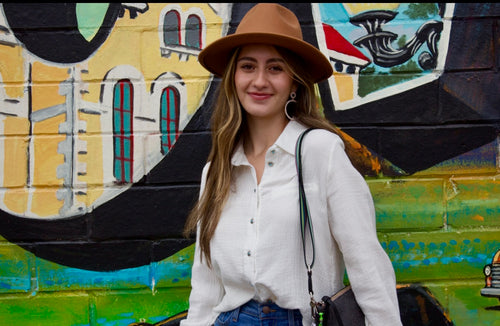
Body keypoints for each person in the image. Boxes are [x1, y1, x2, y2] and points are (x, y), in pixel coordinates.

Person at [181, 3, 402, 326]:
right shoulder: (217, 170)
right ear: (233, 78)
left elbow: (367, 264)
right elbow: (205, 286)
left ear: (295, 82)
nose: (259, 81)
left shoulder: (320, 152)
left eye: (275, 68)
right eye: (247, 66)